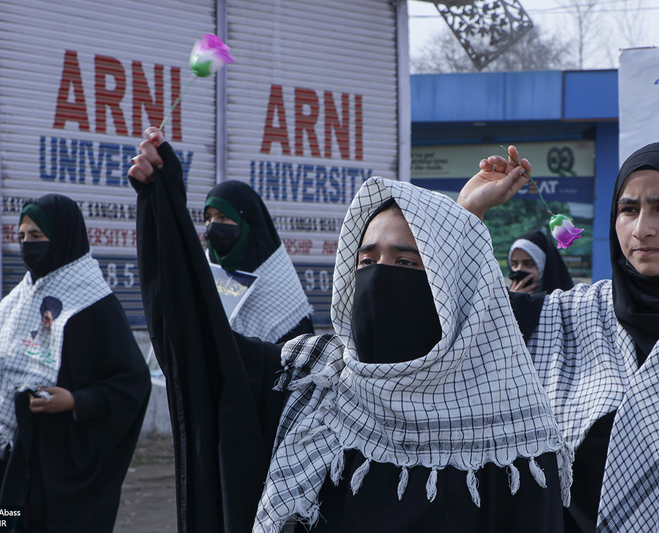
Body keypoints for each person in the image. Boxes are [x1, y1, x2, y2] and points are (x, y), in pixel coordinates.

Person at [129, 128, 572, 532]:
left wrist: (460, 219)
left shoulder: (508, 434)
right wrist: (161, 207)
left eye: (406, 263)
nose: (379, 278)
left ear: (445, 287)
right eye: (366, 260)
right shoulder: (310, 379)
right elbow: (198, 346)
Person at [458, 141, 659, 533]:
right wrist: (468, 211)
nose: (642, 229)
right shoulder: (571, 317)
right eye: (628, 210)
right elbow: (461, 318)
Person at [0, 194, 151, 532]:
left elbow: (132, 383)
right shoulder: (18, 301)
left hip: (59, 461)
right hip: (12, 455)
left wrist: (77, 400)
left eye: (37, 236)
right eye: (22, 236)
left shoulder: (95, 304)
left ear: (64, 236)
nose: (27, 245)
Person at [203, 180, 314, 343]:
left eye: (223, 217)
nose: (213, 225)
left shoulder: (278, 283)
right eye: (208, 218)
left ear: (248, 221)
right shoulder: (203, 271)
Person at [508, 230, 574, 295]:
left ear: (543, 265)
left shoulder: (565, 298)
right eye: (514, 264)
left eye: (528, 264)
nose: (519, 269)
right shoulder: (507, 297)